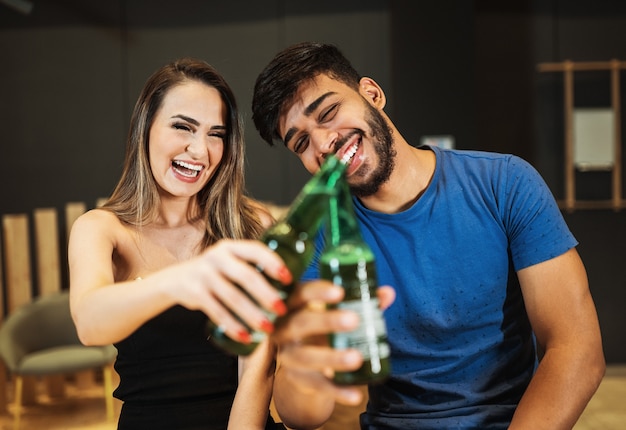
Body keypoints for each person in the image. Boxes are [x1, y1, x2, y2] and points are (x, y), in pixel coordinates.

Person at [251, 42, 605, 429]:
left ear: (372, 94)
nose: (322, 144)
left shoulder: (505, 184)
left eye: (329, 112)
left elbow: (577, 349)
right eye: (300, 142)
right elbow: (302, 415)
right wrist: (307, 361)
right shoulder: (319, 240)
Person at [68, 58, 288, 430]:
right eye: (183, 127)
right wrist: (184, 280)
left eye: (216, 134)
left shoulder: (253, 224)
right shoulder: (101, 229)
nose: (200, 151)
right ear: (145, 129)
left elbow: (258, 368)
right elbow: (90, 324)